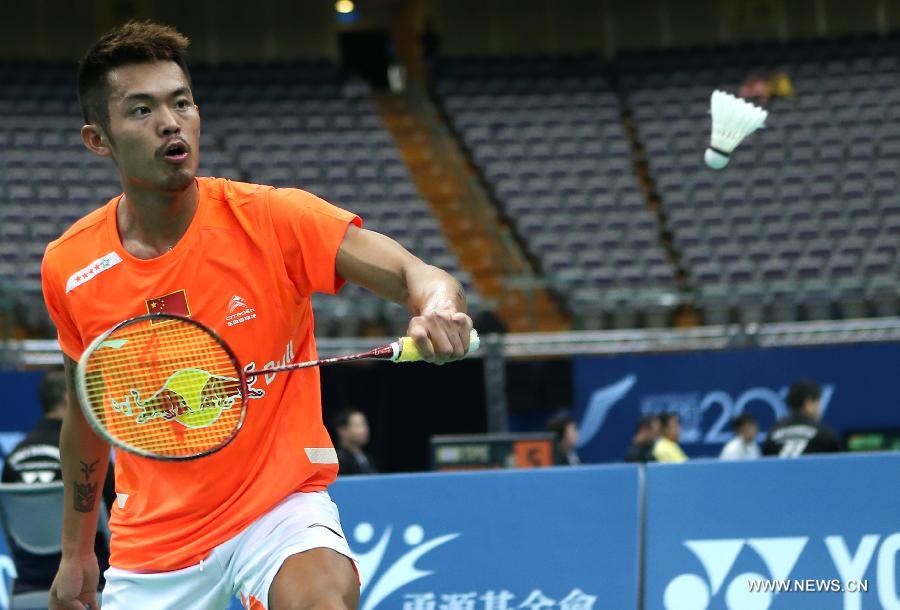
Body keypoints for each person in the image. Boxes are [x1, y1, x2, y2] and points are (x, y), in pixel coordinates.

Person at [41, 20, 473, 610]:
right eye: (141, 111)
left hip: (277, 513)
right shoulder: (70, 264)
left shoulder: (272, 218)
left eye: (182, 103)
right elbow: (87, 414)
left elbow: (414, 274)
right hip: (153, 549)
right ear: (99, 139)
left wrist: (439, 306)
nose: (171, 122)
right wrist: (77, 552)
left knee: (319, 599)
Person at [2, 370, 115, 594]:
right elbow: (115, 509)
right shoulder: (88, 455)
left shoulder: (12, 458)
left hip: (30, 573)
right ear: (68, 397)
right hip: (83, 569)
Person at [763, 379, 842, 458]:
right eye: (818, 403)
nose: (819, 409)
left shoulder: (771, 435)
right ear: (808, 404)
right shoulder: (826, 436)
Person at [333, 409, 378, 476]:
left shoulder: (368, 458)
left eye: (364, 424)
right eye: (357, 425)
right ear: (342, 430)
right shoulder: (338, 460)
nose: (364, 430)